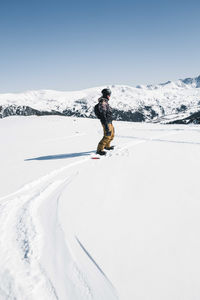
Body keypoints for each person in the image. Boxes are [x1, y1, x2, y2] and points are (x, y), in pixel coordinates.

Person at [96, 88, 115, 155]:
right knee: (107, 135)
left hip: (109, 121)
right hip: (106, 122)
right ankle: (99, 149)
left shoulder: (106, 102)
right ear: (107, 95)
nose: (110, 96)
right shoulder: (103, 102)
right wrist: (106, 124)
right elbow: (103, 114)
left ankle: (107, 146)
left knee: (112, 135)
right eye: (109, 95)